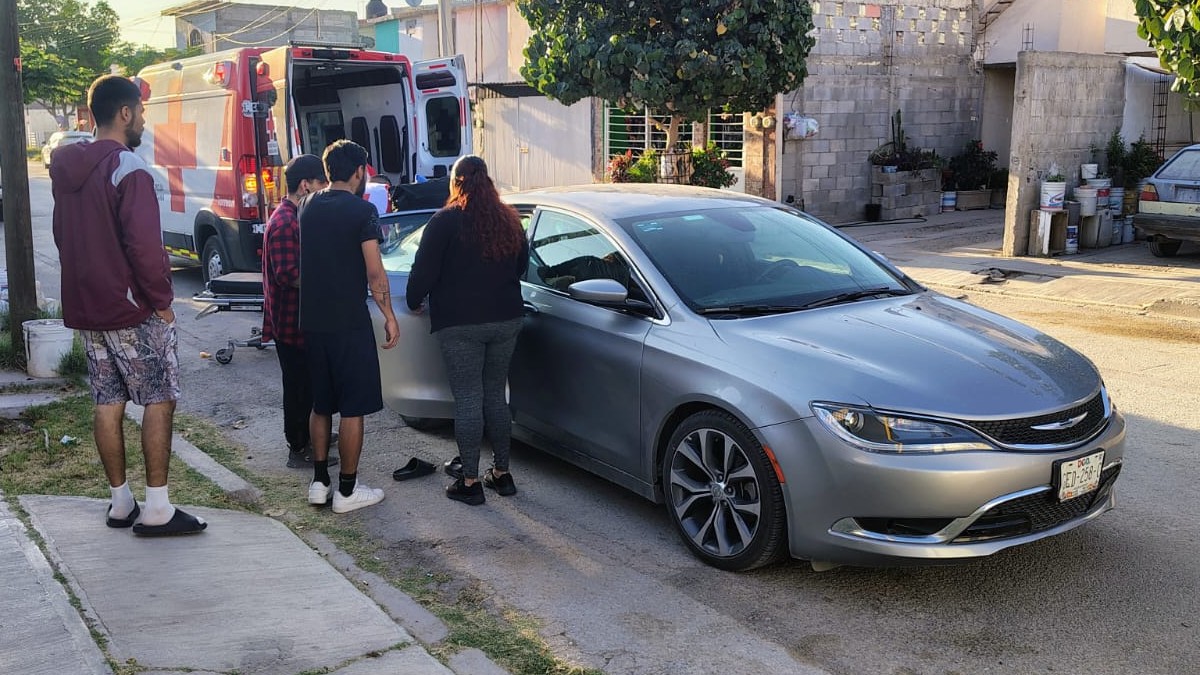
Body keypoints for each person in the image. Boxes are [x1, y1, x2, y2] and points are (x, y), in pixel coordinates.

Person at [50, 74, 206, 536]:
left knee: (107, 399)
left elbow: (63, 235)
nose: (143, 120)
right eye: (141, 112)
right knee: (160, 397)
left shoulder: (65, 167)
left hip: (88, 306)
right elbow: (145, 248)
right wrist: (161, 302)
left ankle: (121, 502)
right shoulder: (129, 168)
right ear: (124, 113)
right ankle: (157, 507)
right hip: (132, 308)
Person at [406, 155, 529, 505]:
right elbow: (521, 265)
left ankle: (471, 481)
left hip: (460, 323)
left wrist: (414, 300)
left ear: (456, 182)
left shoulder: (444, 222)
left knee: (469, 398)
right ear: (487, 181)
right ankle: (502, 475)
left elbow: (423, 271)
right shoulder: (509, 219)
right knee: (495, 394)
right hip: (506, 318)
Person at [299, 140, 399, 514]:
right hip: (348, 321)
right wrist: (389, 315)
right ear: (359, 172)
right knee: (352, 407)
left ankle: (319, 481)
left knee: (321, 403)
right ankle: (347, 490)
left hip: (313, 320)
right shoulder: (362, 211)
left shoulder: (307, 204)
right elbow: (374, 271)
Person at [262, 154, 340, 469]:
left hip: (300, 321)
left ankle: (309, 435)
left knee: (308, 385)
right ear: (305, 185)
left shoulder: (297, 216)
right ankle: (299, 446)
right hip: (291, 324)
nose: (325, 191)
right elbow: (288, 274)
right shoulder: (285, 221)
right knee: (298, 389)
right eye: (322, 185)